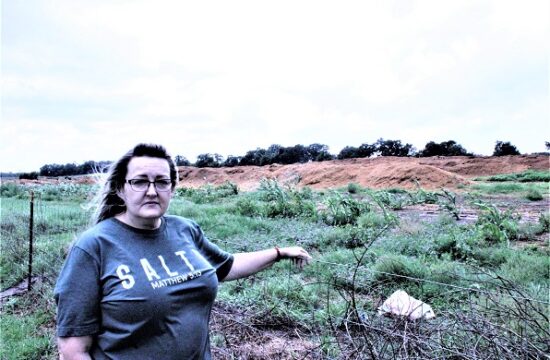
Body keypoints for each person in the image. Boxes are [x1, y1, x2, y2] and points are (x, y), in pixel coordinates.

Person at [54, 143, 312, 360]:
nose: (152, 191)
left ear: (172, 188)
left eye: (162, 182)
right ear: (121, 189)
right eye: (140, 182)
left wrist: (278, 252)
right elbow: (73, 349)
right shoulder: (93, 247)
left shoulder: (184, 230)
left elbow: (226, 266)